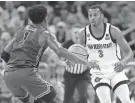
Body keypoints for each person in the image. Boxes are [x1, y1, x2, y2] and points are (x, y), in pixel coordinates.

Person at [0, 4, 92, 103]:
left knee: (35, 101)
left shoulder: (21, 31)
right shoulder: (45, 34)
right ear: (45, 18)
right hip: (26, 73)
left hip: (8, 77)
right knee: (54, 97)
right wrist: (85, 62)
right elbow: (60, 52)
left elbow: (4, 54)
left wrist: (15, 69)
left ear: (31, 19)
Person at [78, 4, 133, 103]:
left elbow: (129, 52)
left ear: (102, 16)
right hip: (98, 73)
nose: (92, 18)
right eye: (90, 15)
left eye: (95, 15)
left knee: (126, 101)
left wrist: (123, 63)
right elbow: (79, 55)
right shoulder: (83, 33)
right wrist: (86, 62)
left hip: (115, 70)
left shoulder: (113, 31)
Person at [63, 24, 90, 103]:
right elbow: (56, 58)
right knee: (67, 99)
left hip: (83, 74)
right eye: (75, 32)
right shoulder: (67, 44)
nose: (77, 34)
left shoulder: (87, 45)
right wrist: (64, 62)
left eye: (80, 33)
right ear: (71, 34)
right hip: (69, 74)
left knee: (83, 96)